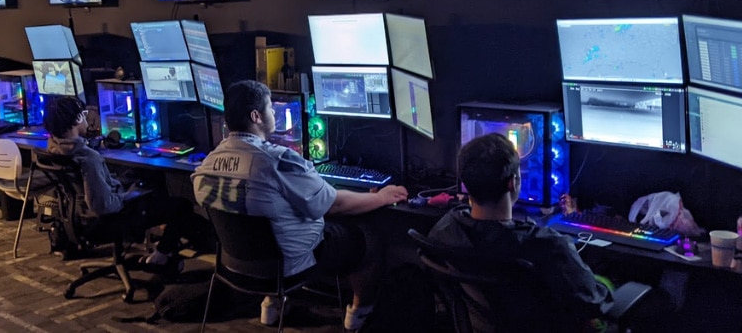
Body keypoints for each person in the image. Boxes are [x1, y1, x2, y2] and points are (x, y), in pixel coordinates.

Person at [191, 80, 408, 331]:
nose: (274, 114)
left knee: (278, 220)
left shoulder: (206, 166)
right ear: (256, 116)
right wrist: (381, 197)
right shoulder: (277, 161)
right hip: (286, 267)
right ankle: (358, 316)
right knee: (368, 237)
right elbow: (334, 204)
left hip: (234, 265)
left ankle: (271, 307)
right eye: (271, 108)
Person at [428, 133, 612, 330]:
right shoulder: (549, 245)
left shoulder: (444, 230)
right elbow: (592, 301)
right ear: (512, 182)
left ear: (466, 181)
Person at [43, 96, 192, 272]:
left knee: (138, 175)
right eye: (83, 115)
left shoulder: (54, 148)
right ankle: (161, 255)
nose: (86, 119)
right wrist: (131, 194)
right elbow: (103, 205)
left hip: (79, 218)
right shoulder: (89, 159)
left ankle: (159, 250)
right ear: (76, 120)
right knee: (181, 206)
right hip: (107, 218)